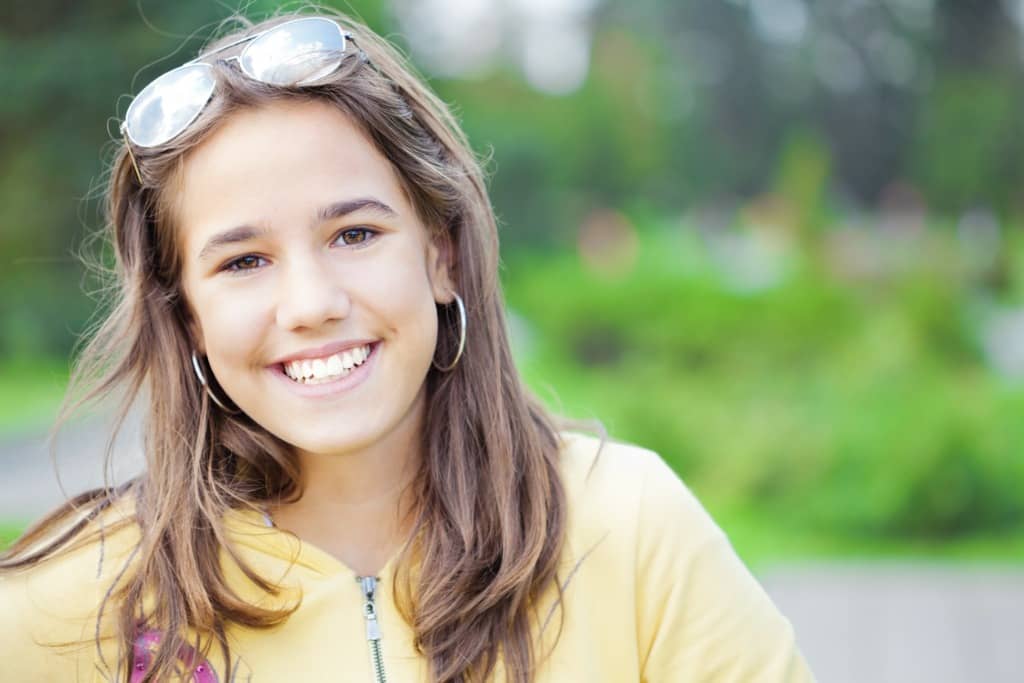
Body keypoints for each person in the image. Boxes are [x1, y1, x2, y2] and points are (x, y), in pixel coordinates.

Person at [0, 9, 814, 682]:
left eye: (354, 233)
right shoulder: (78, 604)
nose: (313, 303)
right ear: (186, 318)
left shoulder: (632, 527)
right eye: (244, 261)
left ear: (441, 255)